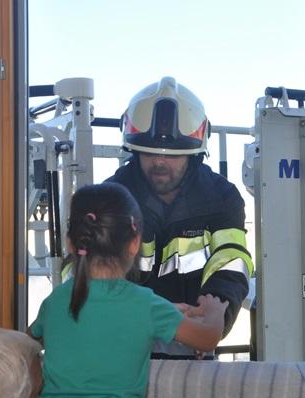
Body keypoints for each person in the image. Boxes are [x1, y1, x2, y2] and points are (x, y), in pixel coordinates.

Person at [25, 182, 227, 398]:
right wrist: (215, 310)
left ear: (71, 242)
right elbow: (207, 338)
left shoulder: (56, 300)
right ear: (135, 243)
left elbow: (28, 342)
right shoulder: (145, 304)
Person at [108, 76, 253, 359]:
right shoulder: (110, 200)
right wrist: (143, 317)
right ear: (134, 150)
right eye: (149, 153)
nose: (160, 162)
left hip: (193, 340)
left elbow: (230, 261)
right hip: (124, 340)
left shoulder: (222, 199)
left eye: (173, 155)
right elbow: (86, 275)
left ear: (194, 155)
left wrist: (213, 316)